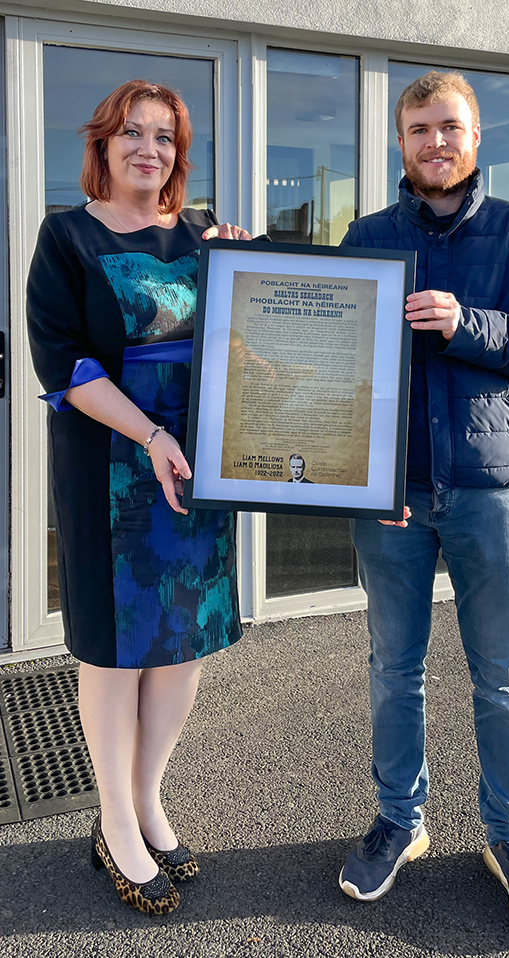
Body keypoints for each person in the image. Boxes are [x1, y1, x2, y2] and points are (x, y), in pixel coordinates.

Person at [337, 71, 509, 940]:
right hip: (392, 493)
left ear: (476, 138)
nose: (434, 142)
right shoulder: (365, 238)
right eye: (418, 130)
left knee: (502, 673)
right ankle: (400, 820)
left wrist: (468, 322)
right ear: (399, 143)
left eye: (449, 127)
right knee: (392, 668)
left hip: (492, 491)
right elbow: (331, 347)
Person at [27, 80, 251, 915]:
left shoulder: (201, 239)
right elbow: (65, 364)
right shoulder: (66, 236)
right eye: (131, 132)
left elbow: (244, 343)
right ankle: (113, 819)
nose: (147, 148)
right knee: (114, 655)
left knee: (181, 644)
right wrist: (151, 438)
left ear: (176, 156)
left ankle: (149, 796)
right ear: (104, 145)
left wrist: (252, 266)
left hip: (196, 470)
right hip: (112, 470)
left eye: (163, 137)